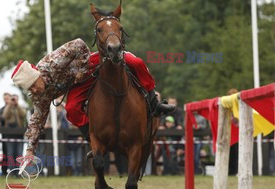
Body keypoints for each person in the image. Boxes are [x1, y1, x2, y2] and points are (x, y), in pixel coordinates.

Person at [10, 38, 175, 159]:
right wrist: (30, 150)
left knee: (136, 62)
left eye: (33, 84)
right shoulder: (39, 95)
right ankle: (96, 144)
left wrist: (82, 68)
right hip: (77, 85)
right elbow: (36, 121)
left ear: (36, 74)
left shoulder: (52, 62)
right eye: (29, 89)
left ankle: (154, 102)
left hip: (89, 65)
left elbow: (80, 44)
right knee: (72, 110)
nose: (34, 89)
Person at [2, 94, 26, 171]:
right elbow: (5, 116)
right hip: (9, 134)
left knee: (19, 153)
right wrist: (9, 105)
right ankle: (11, 170)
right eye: (12, 99)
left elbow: (23, 114)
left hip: (19, 134)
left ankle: (19, 170)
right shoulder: (7, 108)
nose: (13, 101)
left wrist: (17, 105)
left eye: (15, 99)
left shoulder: (20, 107)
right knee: (10, 153)